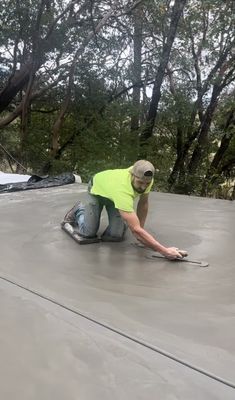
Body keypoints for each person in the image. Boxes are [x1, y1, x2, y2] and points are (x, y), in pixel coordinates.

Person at [62, 160, 185, 259]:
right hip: (97, 190)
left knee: (115, 236)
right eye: (140, 182)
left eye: (146, 184)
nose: (143, 186)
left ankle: (123, 220)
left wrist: (140, 229)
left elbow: (143, 203)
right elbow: (135, 230)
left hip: (113, 195)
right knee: (88, 233)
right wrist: (165, 251)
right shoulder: (122, 190)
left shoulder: (147, 179)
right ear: (132, 175)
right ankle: (79, 210)